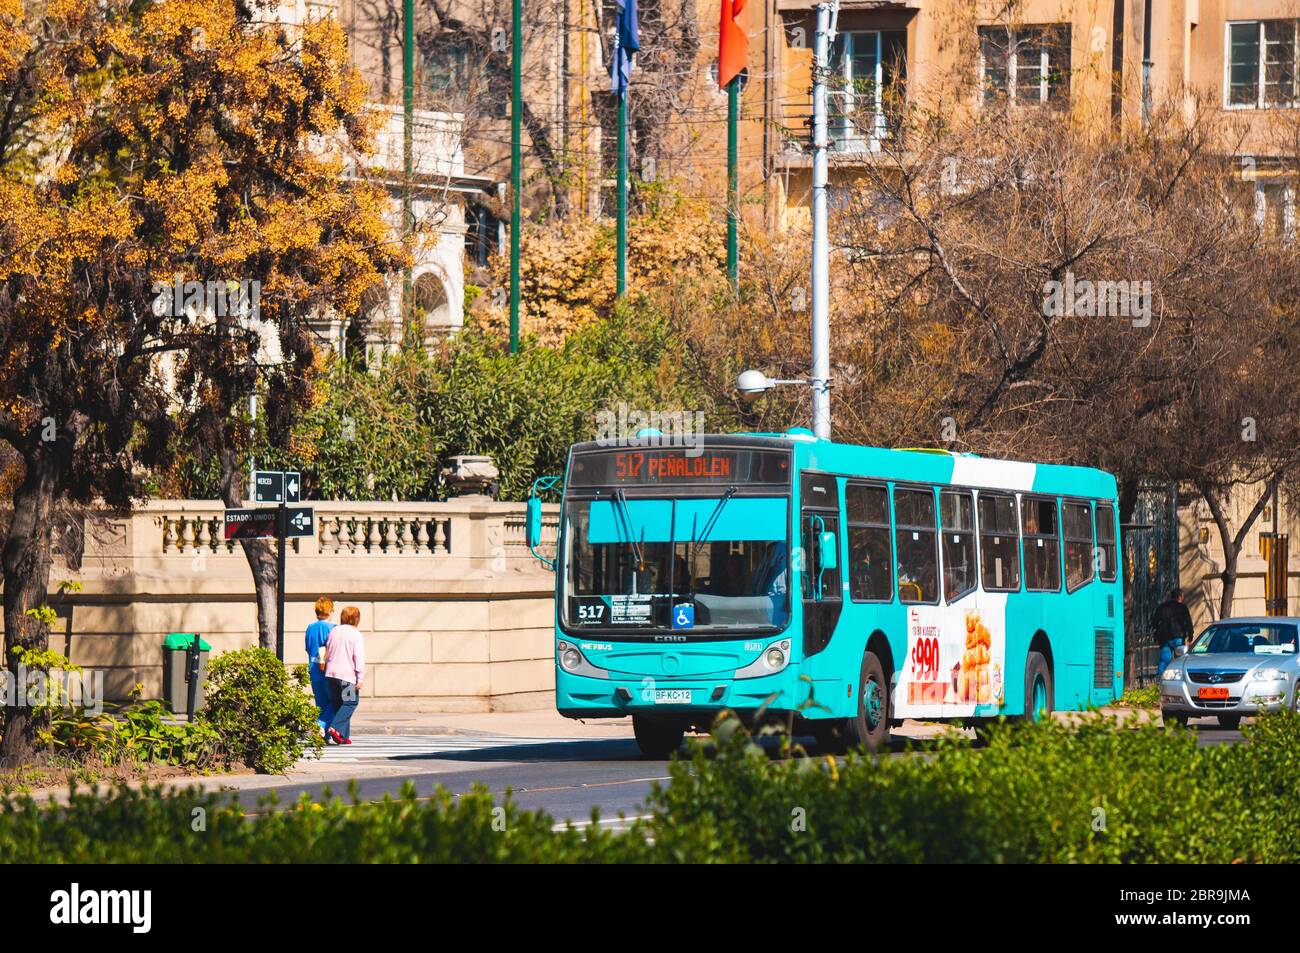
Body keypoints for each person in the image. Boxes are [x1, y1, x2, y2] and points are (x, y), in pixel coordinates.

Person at [324, 605, 366, 745]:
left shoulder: (333, 631)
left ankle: (342, 736)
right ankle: (335, 728)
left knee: (338, 704)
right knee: (350, 702)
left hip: (331, 674)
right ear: (356, 619)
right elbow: (358, 657)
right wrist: (360, 678)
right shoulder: (355, 634)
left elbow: (327, 651)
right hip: (346, 676)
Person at [305, 597, 336, 738]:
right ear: (329, 611)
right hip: (328, 670)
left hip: (313, 669)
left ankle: (324, 736)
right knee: (335, 702)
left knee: (321, 703)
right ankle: (320, 725)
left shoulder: (310, 628)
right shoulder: (332, 628)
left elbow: (307, 648)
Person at [1151, 587, 1194, 674]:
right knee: (1180, 660)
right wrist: (1190, 637)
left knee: (1164, 659)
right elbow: (1188, 623)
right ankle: (1179, 677)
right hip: (1178, 637)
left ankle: (1160, 679)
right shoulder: (1182, 608)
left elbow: (1154, 622)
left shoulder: (1162, 607)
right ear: (1180, 596)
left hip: (1164, 638)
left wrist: (1157, 631)